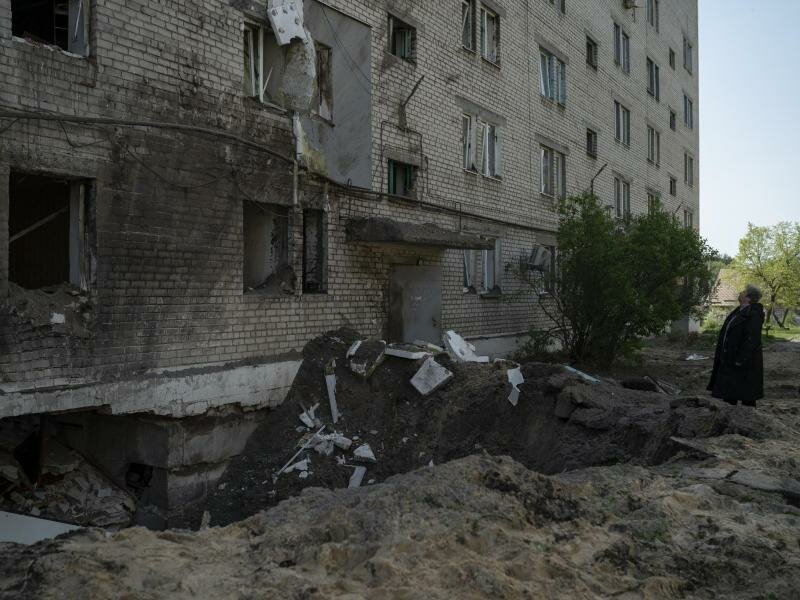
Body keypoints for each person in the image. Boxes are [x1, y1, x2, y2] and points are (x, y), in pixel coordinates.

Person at [707, 284, 765, 407]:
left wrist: (740, 359)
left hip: (745, 362)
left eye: (743, 291)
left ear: (748, 298)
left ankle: (748, 417)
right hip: (731, 358)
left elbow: (752, 339)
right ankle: (730, 415)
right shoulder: (739, 311)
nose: (740, 292)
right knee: (730, 392)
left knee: (747, 395)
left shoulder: (754, 314)